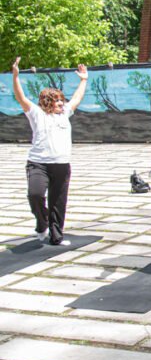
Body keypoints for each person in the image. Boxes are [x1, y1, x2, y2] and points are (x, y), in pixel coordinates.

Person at [11, 57, 88, 245]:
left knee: (58, 202)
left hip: (61, 165)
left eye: (62, 101)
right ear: (48, 102)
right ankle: (42, 222)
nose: (62, 104)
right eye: (58, 101)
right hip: (38, 164)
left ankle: (56, 236)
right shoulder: (37, 114)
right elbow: (21, 98)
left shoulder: (66, 114)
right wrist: (15, 77)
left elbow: (77, 98)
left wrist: (84, 80)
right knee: (35, 195)